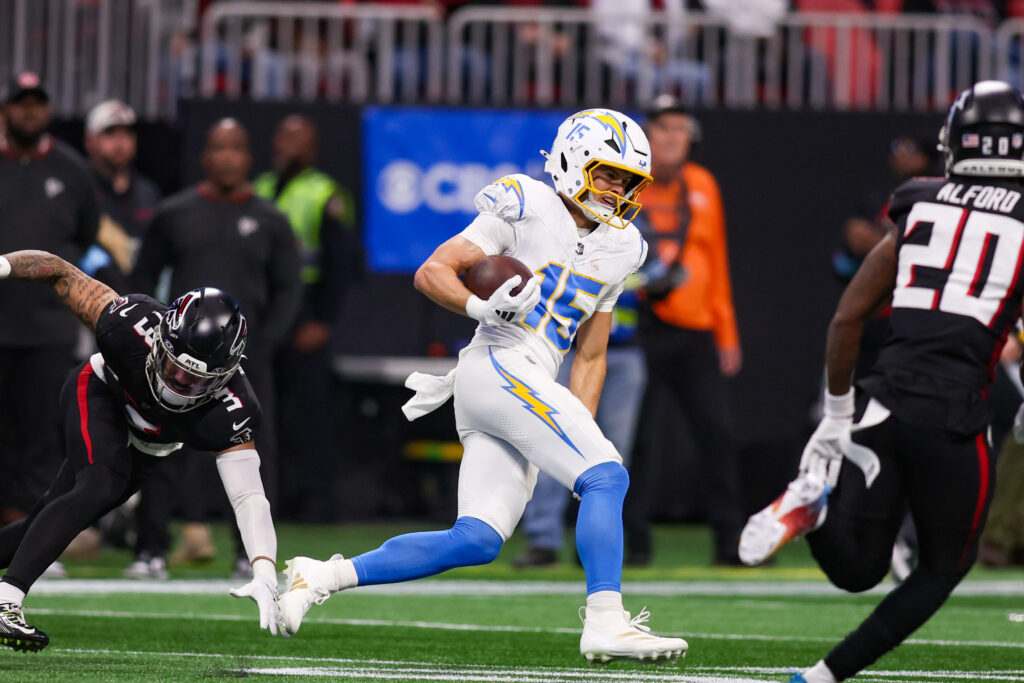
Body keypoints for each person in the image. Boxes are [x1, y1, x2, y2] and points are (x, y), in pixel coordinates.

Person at [275, 108, 688, 662]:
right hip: (497, 360)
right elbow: (433, 270)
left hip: (527, 381)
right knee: (608, 475)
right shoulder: (526, 202)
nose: (617, 191)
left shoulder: (624, 247)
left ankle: (320, 576)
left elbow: (591, 355)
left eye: (627, 181)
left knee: (476, 539)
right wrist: (481, 305)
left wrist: (574, 434)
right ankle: (606, 621)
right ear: (571, 161)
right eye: (607, 174)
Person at [738, 80, 1024, 683]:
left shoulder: (918, 202)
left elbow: (849, 316)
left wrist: (839, 414)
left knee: (859, 568)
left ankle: (812, 513)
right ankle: (821, 676)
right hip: (954, 413)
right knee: (944, 567)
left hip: (883, 400)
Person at [0, 250, 284, 651]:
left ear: (225, 375)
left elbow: (249, 497)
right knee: (99, 483)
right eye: (173, 367)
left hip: (151, 443)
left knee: (50, 522)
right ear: (160, 339)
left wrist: (265, 570)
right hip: (103, 393)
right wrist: (3, 265)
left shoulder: (233, 409)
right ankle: (7, 599)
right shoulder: (129, 323)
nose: (178, 382)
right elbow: (57, 269)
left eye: (195, 379)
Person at [132, 118, 301, 577]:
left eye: (237, 148)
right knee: (159, 446)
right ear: (205, 156)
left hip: (244, 361)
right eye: (219, 148)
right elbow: (142, 278)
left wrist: (264, 341)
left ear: (249, 158)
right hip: (176, 362)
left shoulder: (271, 218)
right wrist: (156, 338)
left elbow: (289, 288)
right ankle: (151, 549)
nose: (228, 157)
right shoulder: (175, 213)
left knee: (248, 451)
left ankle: (249, 553)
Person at [623, 94, 744, 566]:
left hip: (696, 330)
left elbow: (717, 261)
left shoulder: (703, 184)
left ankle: (731, 543)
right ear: (647, 135)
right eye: (663, 127)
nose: (672, 136)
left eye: (681, 128)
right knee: (639, 440)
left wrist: (726, 332)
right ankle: (631, 545)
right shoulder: (628, 184)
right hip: (643, 328)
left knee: (718, 435)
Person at [0, 72, 99, 534]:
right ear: (6, 109)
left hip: (48, 327)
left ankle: (32, 528)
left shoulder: (72, 170)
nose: (29, 111)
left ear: (49, 110)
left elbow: (85, 235)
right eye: (21, 103)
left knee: (44, 431)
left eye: (38, 103)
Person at [253, 115, 359, 521]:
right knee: (262, 410)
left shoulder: (324, 193)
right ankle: (266, 498)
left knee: (308, 413)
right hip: (262, 311)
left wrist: (323, 320)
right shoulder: (258, 189)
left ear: (312, 148)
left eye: (296, 139)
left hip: (306, 312)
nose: (285, 145)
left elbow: (341, 264)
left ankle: (314, 502)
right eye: (281, 135)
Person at [81, 100, 162, 292]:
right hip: (87, 301)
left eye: (127, 133)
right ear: (89, 141)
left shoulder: (148, 192)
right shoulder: (77, 187)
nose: (120, 142)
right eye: (110, 133)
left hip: (139, 303)